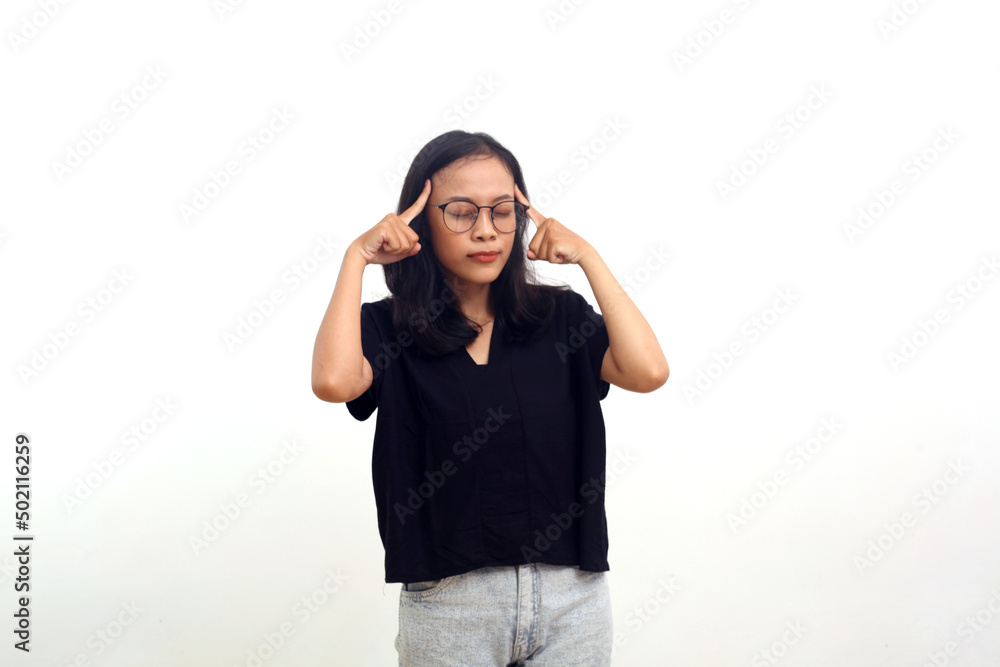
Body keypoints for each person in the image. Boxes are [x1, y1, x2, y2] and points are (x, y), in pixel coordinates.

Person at [311, 130, 668, 666]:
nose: (486, 231)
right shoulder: (388, 328)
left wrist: (589, 257)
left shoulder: (560, 319)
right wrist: (354, 259)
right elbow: (334, 383)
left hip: (572, 597)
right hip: (450, 604)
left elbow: (648, 371)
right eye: (460, 213)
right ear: (421, 224)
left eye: (502, 211)